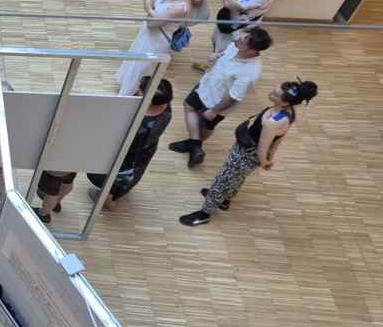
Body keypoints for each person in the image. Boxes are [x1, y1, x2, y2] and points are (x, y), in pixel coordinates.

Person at [180, 79, 318, 227]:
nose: (270, 94)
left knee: (222, 180)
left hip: (246, 154)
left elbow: (262, 148)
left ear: (285, 103)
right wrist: (270, 155)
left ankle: (204, 214)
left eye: (275, 95)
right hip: (248, 152)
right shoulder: (289, 112)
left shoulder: (273, 122)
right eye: (274, 90)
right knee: (237, 178)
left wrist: (265, 161)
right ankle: (225, 200)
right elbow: (279, 138)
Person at [169, 26, 272, 168]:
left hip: (219, 102)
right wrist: (217, 55)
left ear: (252, 50)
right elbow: (225, 53)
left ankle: (193, 144)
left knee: (206, 124)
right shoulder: (235, 46)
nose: (237, 39)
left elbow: (233, 97)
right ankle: (195, 145)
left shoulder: (250, 72)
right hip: (206, 86)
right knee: (189, 106)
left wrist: (214, 110)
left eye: (243, 40)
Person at [86, 77, 173, 211]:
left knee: (112, 179)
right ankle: (115, 193)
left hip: (124, 159)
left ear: (147, 98)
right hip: (145, 152)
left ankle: (107, 200)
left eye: (140, 90)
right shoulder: (165, 107)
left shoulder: (137, 123)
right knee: (131, 176)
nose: (137, 90)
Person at [114, 0, 201, 96]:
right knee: (134, 62)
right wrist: (151, 11)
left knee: (140, 69)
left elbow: (151, 24)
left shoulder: (181, 7)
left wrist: (150, 10)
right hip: (148, 35)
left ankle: (126, 95)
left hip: (156, 41)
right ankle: (127, 89)